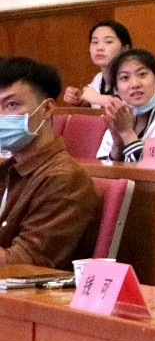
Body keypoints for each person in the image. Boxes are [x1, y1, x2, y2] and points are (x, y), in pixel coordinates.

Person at [0, 58, 99, 267]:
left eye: (11, 105)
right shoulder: (8, 170)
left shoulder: (65, 179)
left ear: (46, 108)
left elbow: (24, 264)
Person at [96, 49, 155, 163]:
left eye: (142, 74)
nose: (135, 84)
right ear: (116, 89)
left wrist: (127, 133)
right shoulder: (118, 117)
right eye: (125, 78)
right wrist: (117, 146)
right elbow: (101, 170)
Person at [62, 19, 131, 107]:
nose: (99, 48)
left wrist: (96, 98)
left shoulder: (132, 77)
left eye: (108, 41)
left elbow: (130, 108)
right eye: (95, 42)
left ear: (125, 49)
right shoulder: (99, 78)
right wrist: (79, 100)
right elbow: (90, 99)